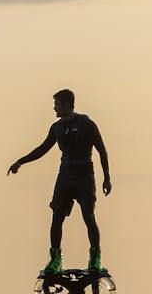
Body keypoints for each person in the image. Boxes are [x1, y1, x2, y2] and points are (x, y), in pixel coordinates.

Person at [8, 88, 112, 275]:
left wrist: (107, 178)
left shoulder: (87, 124)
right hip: (64, 176)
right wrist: (21, 162)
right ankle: (55, 258)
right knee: (56, 217)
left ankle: (95, 257)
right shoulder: (56, 128)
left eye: (57, 104)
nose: (54, 108)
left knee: (88, 215)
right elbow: (42, 149)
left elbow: (102, 150)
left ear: (67, 104)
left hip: (84, 176)